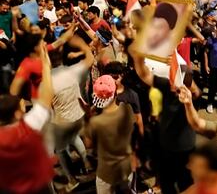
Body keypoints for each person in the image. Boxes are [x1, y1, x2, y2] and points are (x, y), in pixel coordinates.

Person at [130, 49, 201, 194]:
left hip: (182, 146)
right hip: (164, 141)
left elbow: (195, 92)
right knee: (166, 178)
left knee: (185, 181)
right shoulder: (163, 86)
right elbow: (144, 74)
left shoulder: (188, 97)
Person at [0, 44, 55, 193]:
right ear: (17, 113)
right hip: (37, 184)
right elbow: (47, 95)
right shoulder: (30, 124)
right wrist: (45, 66)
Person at [48, 34, 94, 192]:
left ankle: (71, 179)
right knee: (75, 137)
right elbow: (90, 59)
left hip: (62, 120)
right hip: (78, 114)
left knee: (61, 149)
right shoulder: (73, 71)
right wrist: (82, 44)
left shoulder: (47, 82)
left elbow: (48, 107)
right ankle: (86, 164)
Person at [85, 74, 136, 193]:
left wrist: (88, 117)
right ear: (115, 93)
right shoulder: (127, 110)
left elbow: (88, 144)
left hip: (106, 172)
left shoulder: (95, 122)